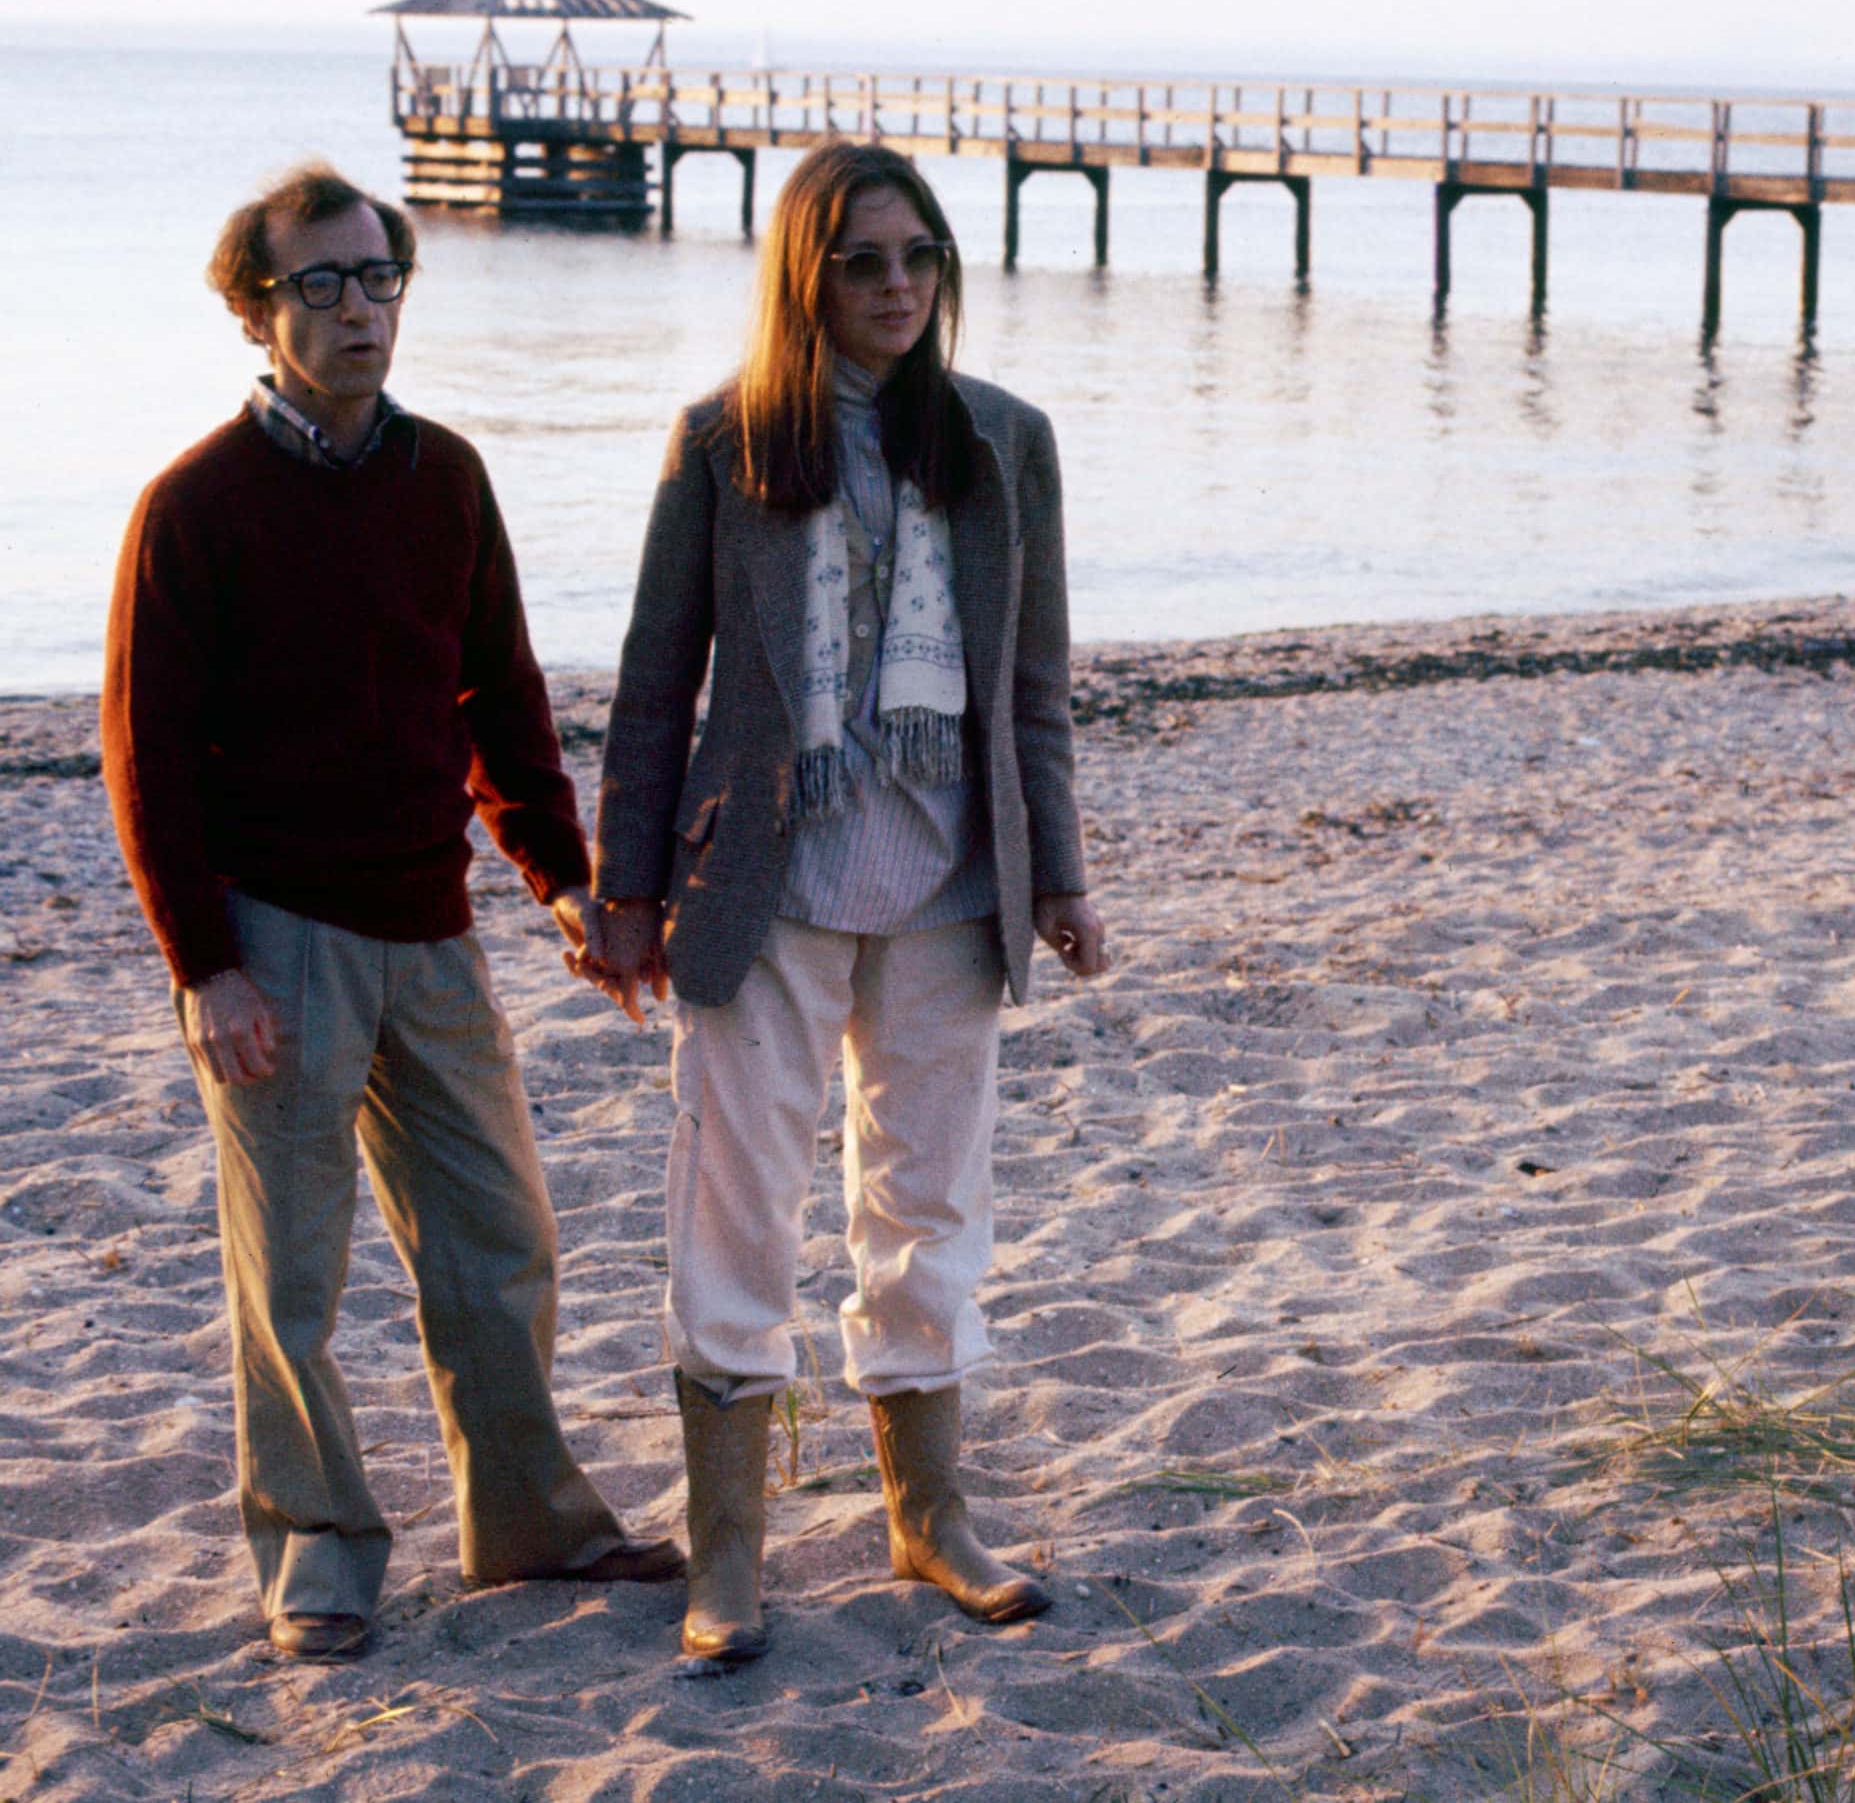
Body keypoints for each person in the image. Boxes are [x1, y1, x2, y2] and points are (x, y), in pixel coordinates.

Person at [102, 163, 682, 1664]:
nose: (358, 309)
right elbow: (144, 759)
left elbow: (501, 695)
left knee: (500, 1238)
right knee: (291, 1269)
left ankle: (530, 1520)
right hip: (275, 934)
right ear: (255, 307)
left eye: (378, 280)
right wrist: (204, 966)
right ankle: (317, 1551)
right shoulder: (193, 508)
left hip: (434, 928)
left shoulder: (449, 478)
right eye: (322, 285)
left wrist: (563, 885)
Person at [587, 141, 1106, 1665]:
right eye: (865, 261)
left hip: (955, 880)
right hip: (768, 878)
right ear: (806, 277)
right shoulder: (723, 441)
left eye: (920, 259)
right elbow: (649, 686)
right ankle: (730, 1553)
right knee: (735, 1210)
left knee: (929, 1201)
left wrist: (1062, 873)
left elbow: (1036, 686)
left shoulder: (1005, 442)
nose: (897, 288)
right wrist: (623, 887)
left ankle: (927, 1516)